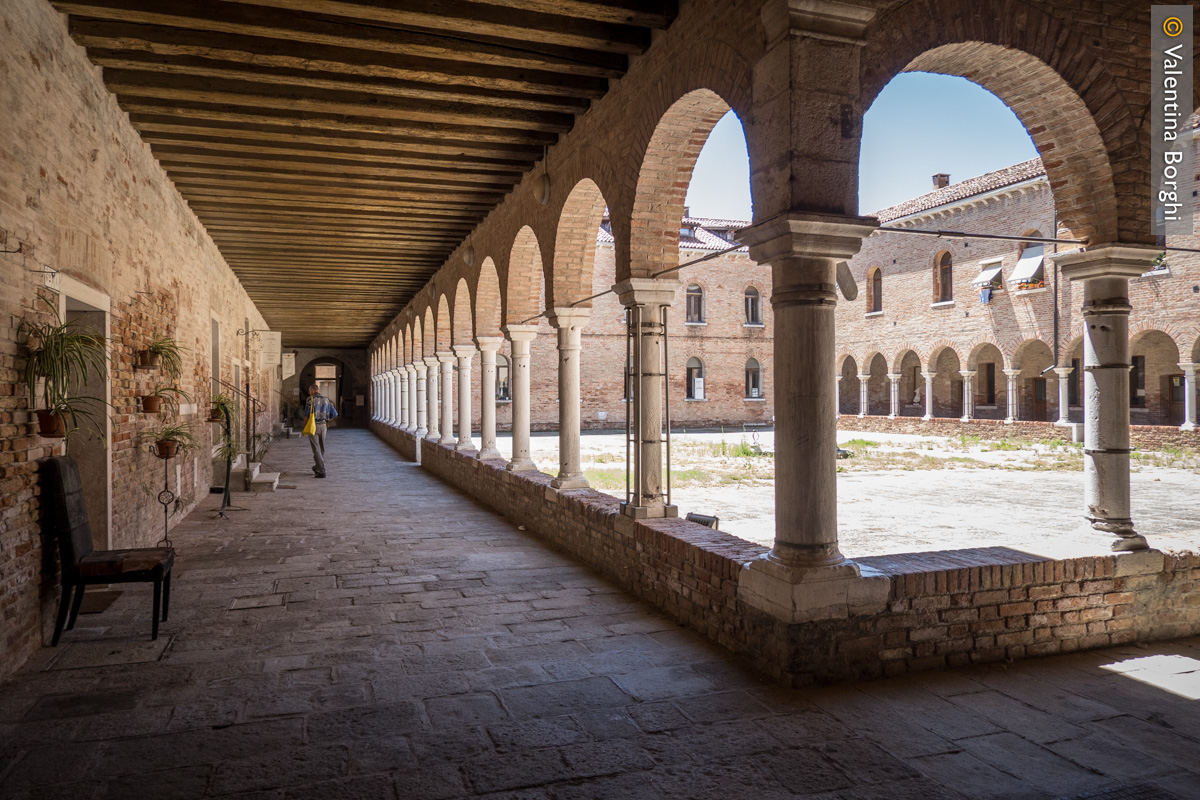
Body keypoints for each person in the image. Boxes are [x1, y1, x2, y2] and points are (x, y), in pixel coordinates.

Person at [303, 383, 338, 478]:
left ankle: (322, 471)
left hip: (313, 426)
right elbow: (334, 414)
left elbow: (306, 415)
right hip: (323, 426)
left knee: (316, 449)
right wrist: (326, 420)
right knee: (321, 448)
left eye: (310, 391)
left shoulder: (310, 399)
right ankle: (317, 467)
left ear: (311, 391)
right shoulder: (327, 399)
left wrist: (304, 426)